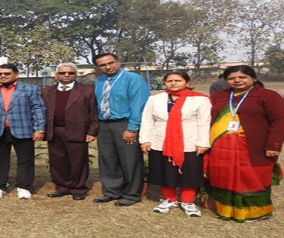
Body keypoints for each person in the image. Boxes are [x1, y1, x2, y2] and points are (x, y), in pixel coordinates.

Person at [207, 65, 284, 222]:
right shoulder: (218, 97)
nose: (237, 80)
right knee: (223, 176)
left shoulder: (267, 96)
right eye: (231, 78)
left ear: (254, 78)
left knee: (253, 176)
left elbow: (280, 121)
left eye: (242, 77)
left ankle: (255, 212)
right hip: (221, 148)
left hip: (253, 146)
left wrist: (274, 145)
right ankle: (225, 209)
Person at [139, 71, 211, 217]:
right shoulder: (155, 99)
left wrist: (203, 143)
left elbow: (204, 122)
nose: (173, 83)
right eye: (169, 81)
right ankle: (169, 200)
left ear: (187, 83)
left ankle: (188, 202)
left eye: (177, 80)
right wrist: (145, 140)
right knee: (164, 172)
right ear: (164, 83)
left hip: (190, 141)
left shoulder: (200, 99)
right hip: (160, 141)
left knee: (190, 173)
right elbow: (147, 120)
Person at [0, 63, 46, 199]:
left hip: (23, 130)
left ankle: (24, 186)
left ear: (16, 74)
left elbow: (38, 109)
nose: (3, 76)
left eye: (7, 73)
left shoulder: (30, 89)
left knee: (25, 160)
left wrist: (39, 129)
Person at [93, 53, 150, 206]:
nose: (108, 67)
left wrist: (132, 128)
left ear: (118, 62)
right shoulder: (100, 81)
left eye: (111, 63)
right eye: (102, 65)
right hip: (104, 124)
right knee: (108, 159)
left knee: (129, 159)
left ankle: (132, 194)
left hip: (124, 123)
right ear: (98, 67)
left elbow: (138, 103)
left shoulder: (133, 79)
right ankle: (112, 191)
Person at [41, 63, 99, 201]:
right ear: (56, 75)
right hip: (54, 130)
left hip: (77, 130)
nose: (66, 75)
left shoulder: (87, 91)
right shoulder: (47, 91)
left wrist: (92, 131)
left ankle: (78, 188)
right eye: (62, 73)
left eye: (70, 73)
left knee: (78, 161)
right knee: (57, 161)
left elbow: (94, 112)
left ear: (76, 75)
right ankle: (62, 187)